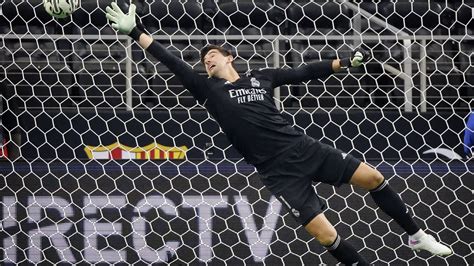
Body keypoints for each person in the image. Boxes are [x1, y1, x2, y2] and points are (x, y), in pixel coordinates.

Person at [106, 3, 452, 264]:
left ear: (230, 58)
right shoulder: (206, 89)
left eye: (212, 55)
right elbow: (170, 60)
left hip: (303, 147)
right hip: (278, 171)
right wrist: (135, 31)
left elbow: (304, 71)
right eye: (204, 60)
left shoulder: (261, 77)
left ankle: (418, 236)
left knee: (373, 176)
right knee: (325, 235)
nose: (206, 61)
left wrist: (345, 63)